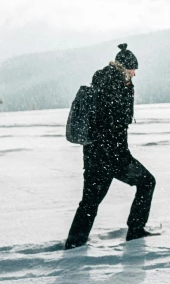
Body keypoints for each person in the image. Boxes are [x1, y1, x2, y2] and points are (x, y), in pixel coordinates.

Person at [65, 43, 156, 248]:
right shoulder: (114, 84)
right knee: (147, 182)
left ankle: (74, 243)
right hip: (111, 155)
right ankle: (135, 230)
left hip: (95, 153)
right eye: (133, 70)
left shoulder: (106, 81)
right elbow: (111, 123)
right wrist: (118, 154)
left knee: (89, 202)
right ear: (124, 67)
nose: (134, 74)